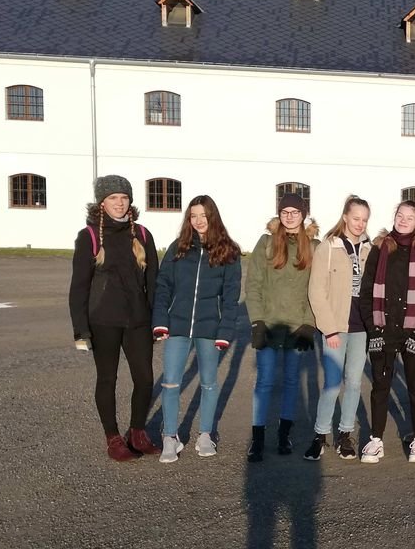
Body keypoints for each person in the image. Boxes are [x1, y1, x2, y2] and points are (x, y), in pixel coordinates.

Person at [69, 175, 161, 461]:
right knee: (107, 379)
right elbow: (79, 286)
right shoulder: (89, 236)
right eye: (113, 198)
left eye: (124, 198)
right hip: (103, 320)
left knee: (145, 379)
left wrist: (156, 320)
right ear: (102, 203)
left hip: (138, 320)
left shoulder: (142, 234)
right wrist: (80, 329)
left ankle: (137, 432)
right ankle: (113, 438)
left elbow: (154, 282)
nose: (119, 203)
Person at [151, 195, 242, 462]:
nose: (199, 221)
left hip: (209, 328)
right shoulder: (178, 248)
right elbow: (163, 285)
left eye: (204, 215)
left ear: (213, 216)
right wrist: (160, 321)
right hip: (177, 325)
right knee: (170, 382)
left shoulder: (228, 251)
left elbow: (231, 297)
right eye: (193, 216)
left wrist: (225, 332)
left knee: (209, 383)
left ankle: (205, 434)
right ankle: (170, 437)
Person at [245, 193, 320, 463]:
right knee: (264, 381)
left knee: (291, 381)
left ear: (303, 215)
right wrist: (257, 321)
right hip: (269, 323)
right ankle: (258, 438)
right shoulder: (266, 243)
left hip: (296, 325)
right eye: (285, 212)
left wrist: (309, 324)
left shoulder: (314, 247)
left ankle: (284, 434)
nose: (289, 216)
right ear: (279, 214)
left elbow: (316, 289)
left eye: (295, 212)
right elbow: (253, 284)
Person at [358, 201, 415, 464]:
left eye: (409, 217)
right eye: (400, 215)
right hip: (384, 327)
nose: (403, 220)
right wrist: (373, 328)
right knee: (380, 386)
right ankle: (375, 439)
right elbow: (367, 291)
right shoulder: (381, 248)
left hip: (413, 329)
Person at [305, 195, 373, 462]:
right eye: (356, 218)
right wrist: (329, 329)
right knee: (332, 384)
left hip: (361, 327)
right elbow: (316, 291)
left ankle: (345, 433)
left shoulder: (369, 248)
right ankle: (320, 434)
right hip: (336, 326)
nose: (360, 224)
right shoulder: (329, 247)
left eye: (364, 220)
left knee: (354, 383)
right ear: (345, 217)